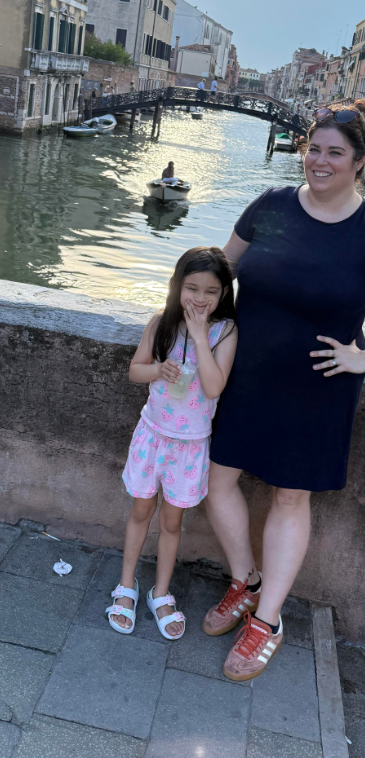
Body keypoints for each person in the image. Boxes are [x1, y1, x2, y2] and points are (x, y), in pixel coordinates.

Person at [203, 101, 365, 682]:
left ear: (359, 162)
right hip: (245, 375)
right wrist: (181, 324)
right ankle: (245, 579)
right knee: (217, 479)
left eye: (335, 153)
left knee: (289, 498)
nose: (319, 161)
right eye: (313, 148)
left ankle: (270, 618)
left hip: (318, 386)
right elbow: (218, 271)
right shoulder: (272, 206)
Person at [106, 247, 237, 641]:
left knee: (171, 521)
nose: (200, 298)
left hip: (191, 444)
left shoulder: (225, 332)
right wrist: (158, 370)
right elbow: (134, 371)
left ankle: (160, 592)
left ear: (223, 294)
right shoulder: (161, 323)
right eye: (191, 288)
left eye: (210, 291)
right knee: (141, 510)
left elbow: (214, 387)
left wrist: (199, 337)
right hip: (153, 436)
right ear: (177, 286)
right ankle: (126, 585)